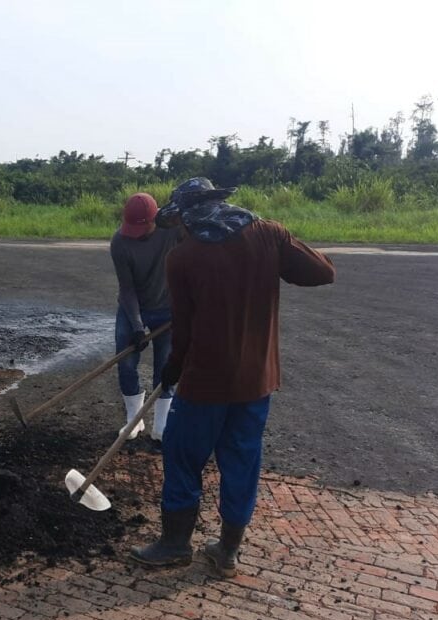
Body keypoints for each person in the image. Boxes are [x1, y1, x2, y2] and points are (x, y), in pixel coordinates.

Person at [131, 177, 335, 577]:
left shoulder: (184, 258)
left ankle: (174, 545)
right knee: (242, 461)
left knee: (183, 457)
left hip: (205, 383)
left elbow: (183, 333)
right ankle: (227, 552)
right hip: (257, 381)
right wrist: (276, 247)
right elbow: (323, 272)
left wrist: (171, 372)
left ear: (188, 218)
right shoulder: (269, 233)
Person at [110, 192, 183, 445]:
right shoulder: (120, 242)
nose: (135, 234)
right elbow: (127, 288)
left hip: (168, 309)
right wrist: (138, 325)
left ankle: (162, 425)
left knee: (166, 365)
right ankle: (134, 419)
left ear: (156, 219)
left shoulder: (173, 231)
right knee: (127, 364)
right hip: (133, 308)